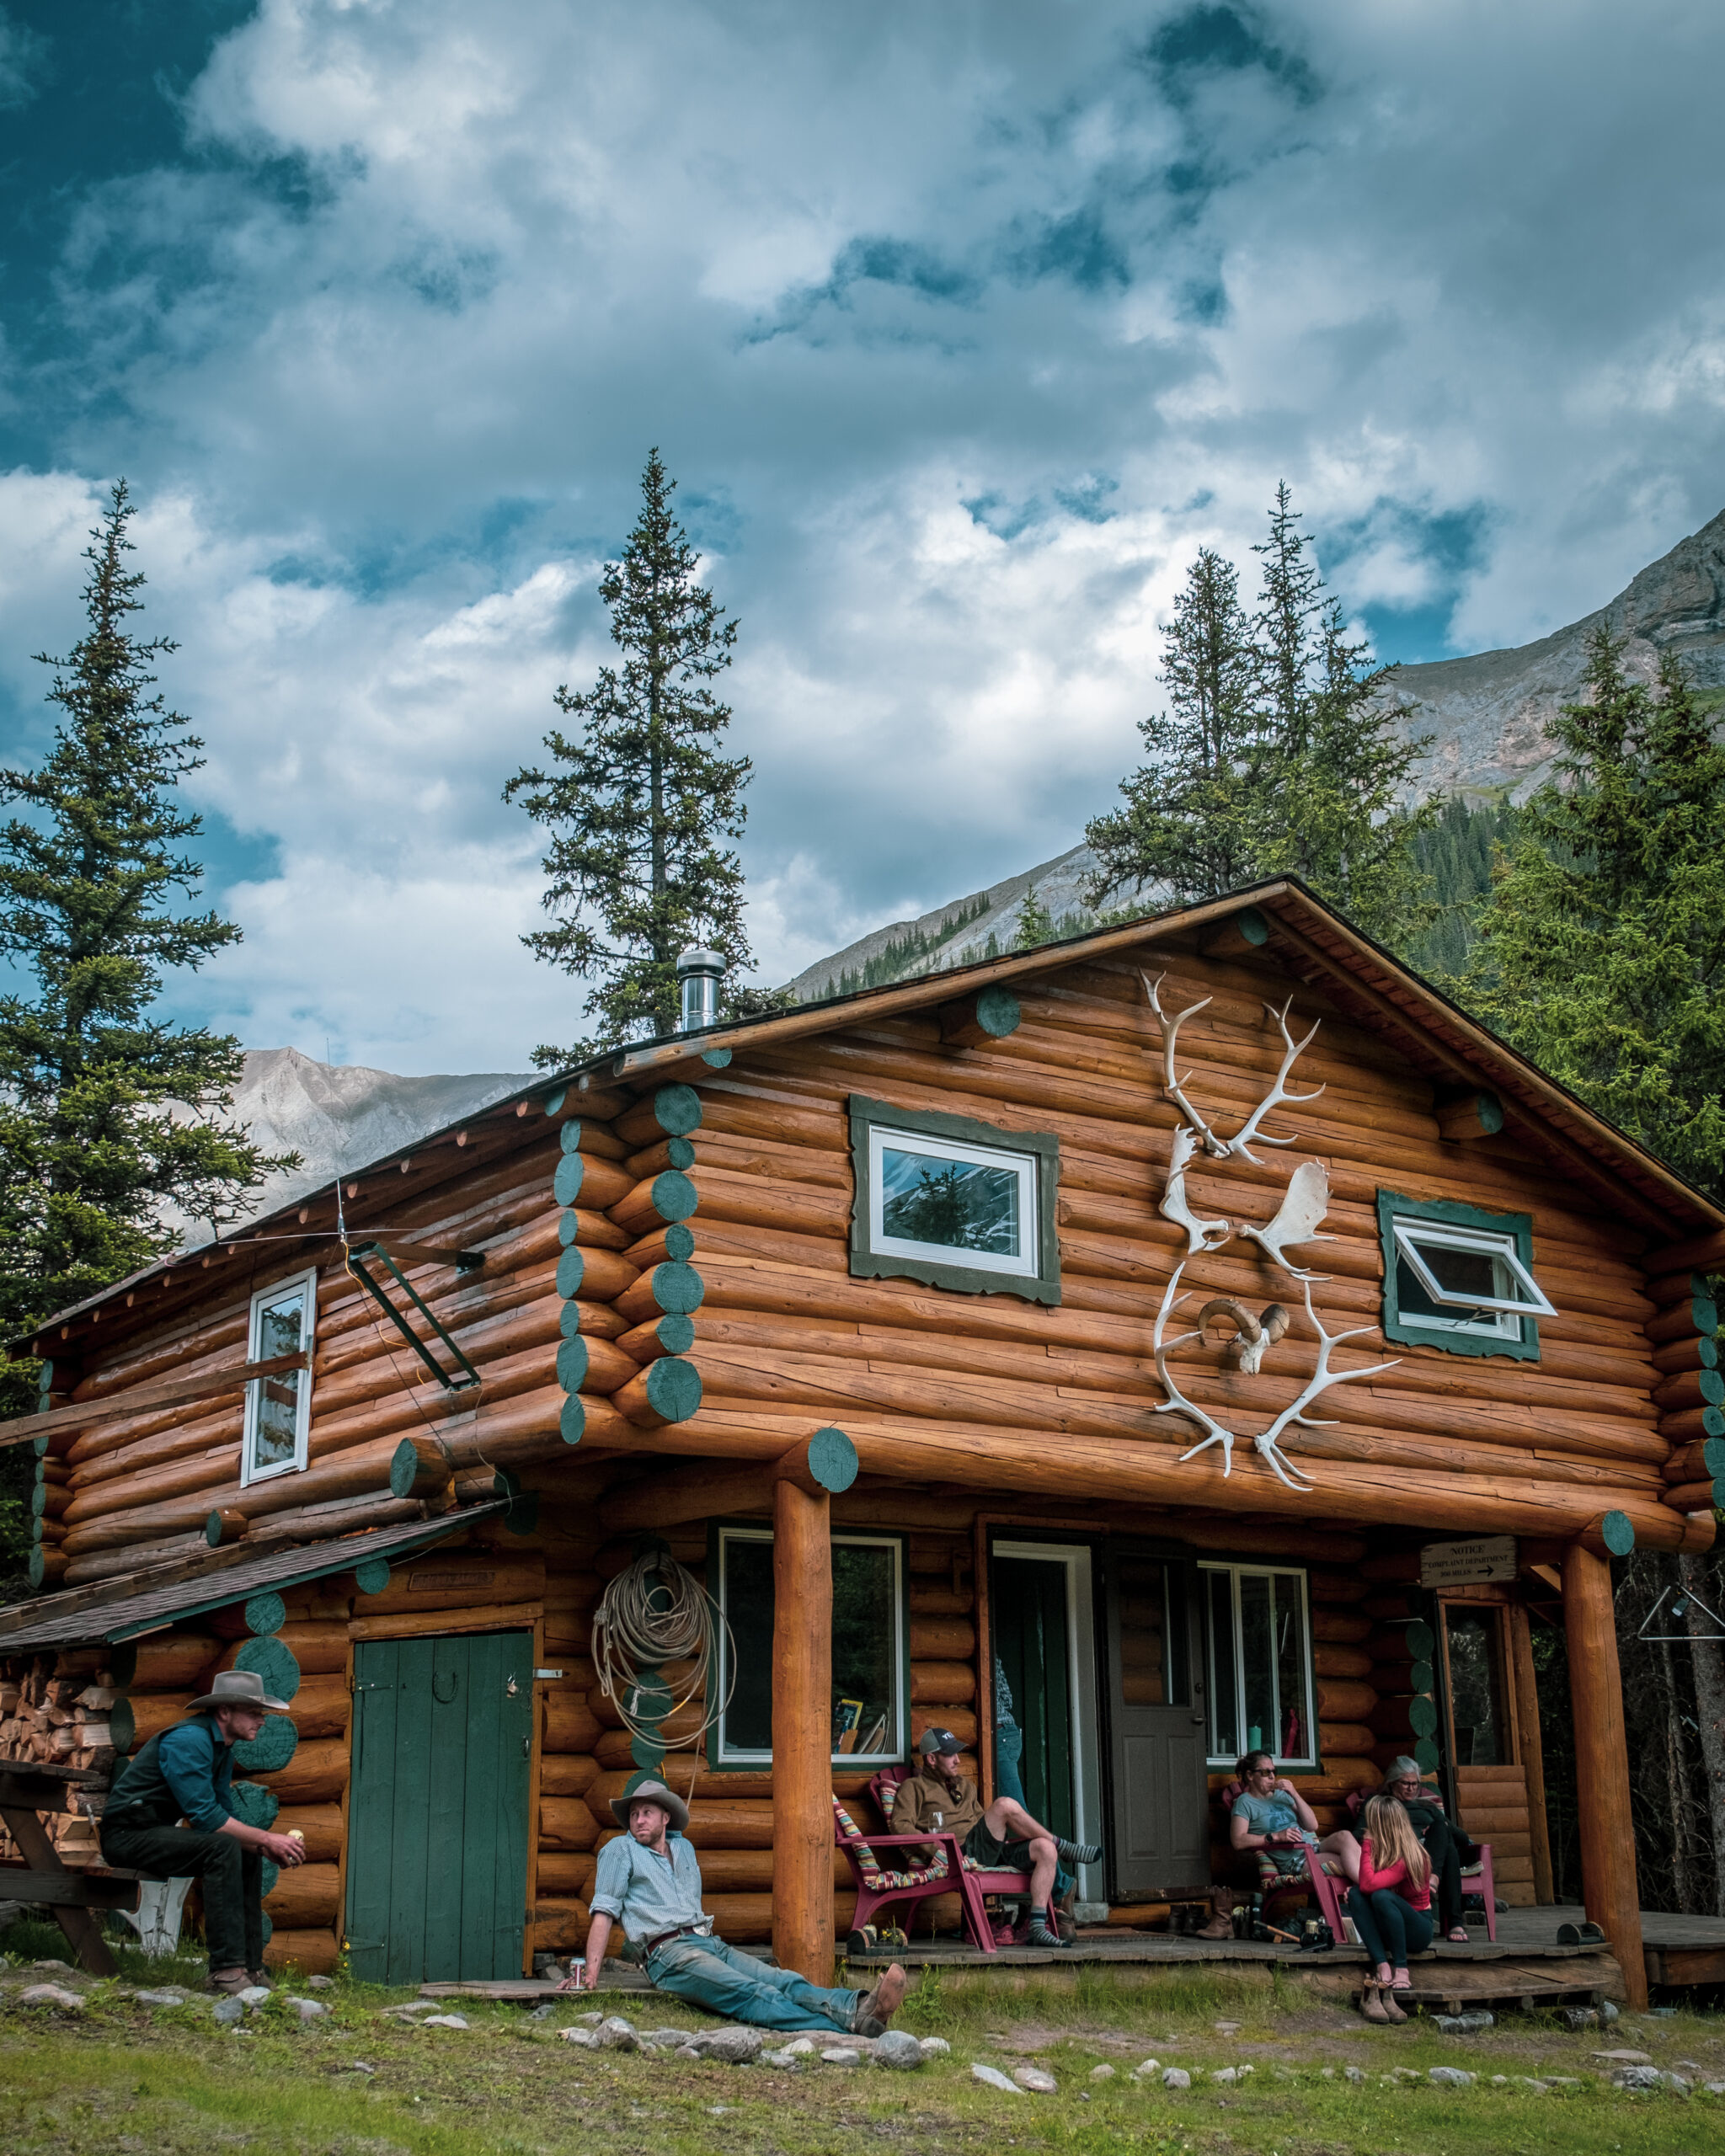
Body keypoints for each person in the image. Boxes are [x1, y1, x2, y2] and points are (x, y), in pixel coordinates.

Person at [561, 1780, 907, 2036]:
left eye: (646, 1813)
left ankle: (860, 2006)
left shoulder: (685, 1850)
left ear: (666, 1817)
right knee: (751, 1993)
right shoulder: (619, 1851)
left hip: (708, 1942)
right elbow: (604, 1911)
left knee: (781, 1978)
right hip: (668, 1954)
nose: (638, 1820)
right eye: (634, 1814)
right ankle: (849, 2032)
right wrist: (590, 1973)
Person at [99, 1668, 307, 1997]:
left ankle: (251, 1969)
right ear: (224, 1711)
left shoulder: (220, 1747)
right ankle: (225, 1973)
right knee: (222, 1848)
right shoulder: (189, 1739)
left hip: (156, 1834)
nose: (262, 1721)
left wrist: (262, 1847)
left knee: (245, 1850)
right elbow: (206, 1816)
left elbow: (224, 1811)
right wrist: (267, 1838)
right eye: (254, 1713)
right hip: (126, 1837)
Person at [890, 1727, 1100, 1951]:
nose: (958, 1760)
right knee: (1003, 1805)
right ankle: (1064, 1846)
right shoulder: (914, 1788)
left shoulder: (965, 1786)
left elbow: (982, 1821)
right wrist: (936, 1850)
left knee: (1044, 1848)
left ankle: (1037, 1927)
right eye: (950, 1754)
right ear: (931, 1758)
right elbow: (900, 1825)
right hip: (959, 1855)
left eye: (957, 1754)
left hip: (988, 1852)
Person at [1346, 1793, 1434, 2023]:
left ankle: (1401, 1968)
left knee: (1381, 1896)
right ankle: (1382, 1964)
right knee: (1356, 1894)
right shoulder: (1384, 1850)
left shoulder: (1410, 1857)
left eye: (1371, 1823)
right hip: (1390, 1926)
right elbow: (1364, 1886)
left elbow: (1369, 1884)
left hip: (1417, 1929)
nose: (1367, 1827)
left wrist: (1366, 1843)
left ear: (1381, 1825)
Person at [1228, 1749, 1362, 1889]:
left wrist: (1294, 1793)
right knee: (1347, 1862)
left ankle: (1368, 1888)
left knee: (1344, 1836)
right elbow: (1238, 1841)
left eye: (1274, 1772)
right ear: (1250, 1775)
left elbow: (1312, 1825)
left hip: (1312, 1847)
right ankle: (1369, 1889)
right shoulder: (1245, 1802)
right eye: (1266, 1772)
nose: (1272, 1777)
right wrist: (1276, 1837)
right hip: (1295, 1860)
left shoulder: (1281, 1795)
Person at [1381, 1756, 1478, 1943]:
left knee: (1443, 1831)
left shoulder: (1426, 1807)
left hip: (1433, 1854)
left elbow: (1463, 1838)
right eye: (1406, 1783)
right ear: (1392, 1783)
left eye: (1415, 1784)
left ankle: (1434, 1876)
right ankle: (1455, 1923)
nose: (1411, 1788)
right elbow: (1360, 1832)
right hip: (1403, 1853)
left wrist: (1436, 1829)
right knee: (1447, 1845)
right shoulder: (1382, 1804)